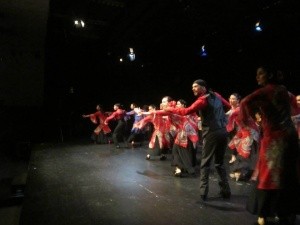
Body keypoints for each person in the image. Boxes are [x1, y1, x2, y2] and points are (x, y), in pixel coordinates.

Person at [239, 66, 300, 225]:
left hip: (274, 138)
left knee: (267, 175)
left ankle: (263, 214)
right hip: (290, 136)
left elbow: (245, 101)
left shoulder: (265, 91)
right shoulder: (283, 89)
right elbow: (294, 108)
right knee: (287, 175)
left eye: (261, 73)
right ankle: (284, 212)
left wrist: (249, 120)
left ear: (270, 74)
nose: (257, 77)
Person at [164, 79, 231, 201]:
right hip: (222, 131)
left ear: (203, 87)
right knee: (219, 163)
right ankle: (226, 191)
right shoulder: (216, 95)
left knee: (205, 163)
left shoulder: (202, 100)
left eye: (195, 86)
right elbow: (228, 106)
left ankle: (203, 192)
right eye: (192, 86)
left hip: (212, 133)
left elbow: (185, 111)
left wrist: (170, 109)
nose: (193, 89)